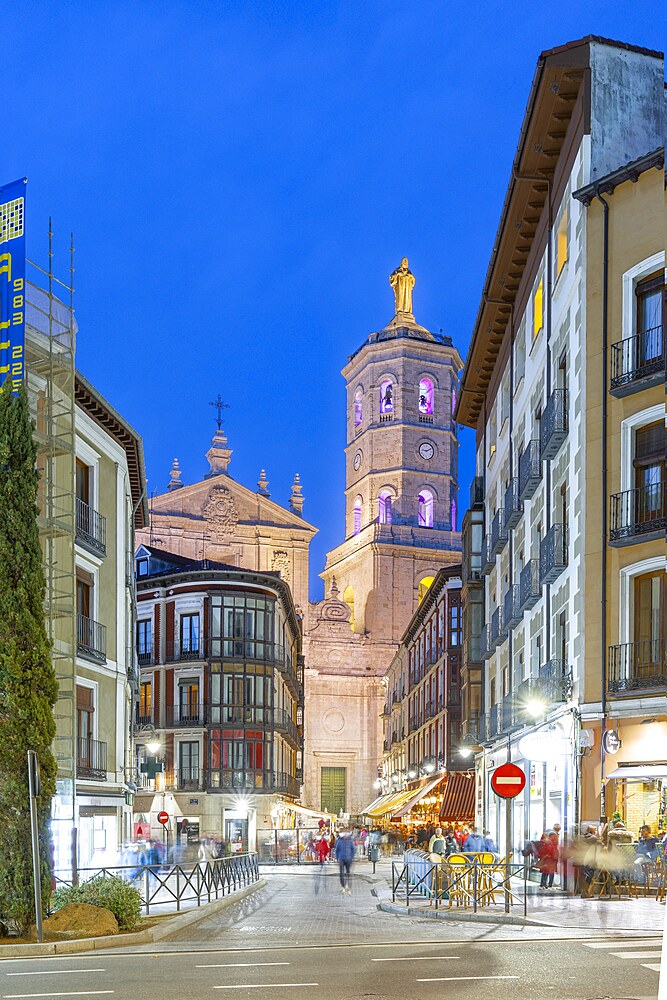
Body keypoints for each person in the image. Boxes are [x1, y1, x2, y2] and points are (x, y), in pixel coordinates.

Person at [334, 829, 355, 894]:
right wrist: (337, 858)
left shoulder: (350, 840)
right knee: (341, 873)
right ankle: (343, 886)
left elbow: (353, 849)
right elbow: (337, 850)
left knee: (348, 873)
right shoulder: (339, 840)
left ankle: (348, 886)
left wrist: (351, 857)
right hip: (341, 858)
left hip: (348, 858)